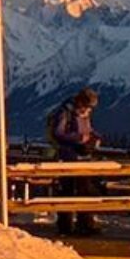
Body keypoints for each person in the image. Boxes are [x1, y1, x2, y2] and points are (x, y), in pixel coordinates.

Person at [48, 88, 100, 236]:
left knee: (86, 190)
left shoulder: (83, 114)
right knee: (67, 190)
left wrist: (94, 137)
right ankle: (66, 225)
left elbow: (88, 129)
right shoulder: (66, 112)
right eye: (87, 105)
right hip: (68, 157)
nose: (88, 109)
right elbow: (58, 133)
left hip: (82, 157)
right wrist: (79, 138)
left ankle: (85, 223)